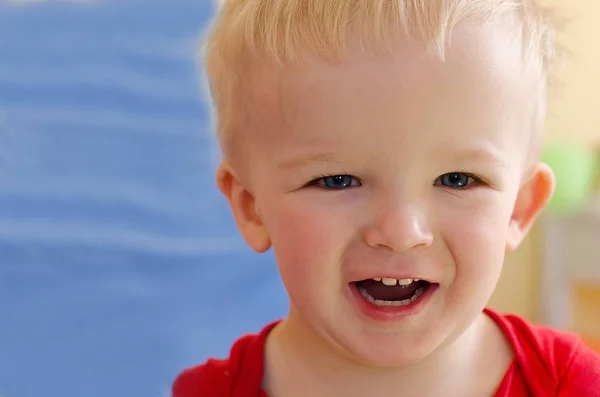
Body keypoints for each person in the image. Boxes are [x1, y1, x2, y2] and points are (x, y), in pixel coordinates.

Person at [173, 0, 600, 395]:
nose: (401, 232)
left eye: (456, 179)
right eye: (338, 180)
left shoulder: (574, 384)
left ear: (521, 207)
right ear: (251, 207)